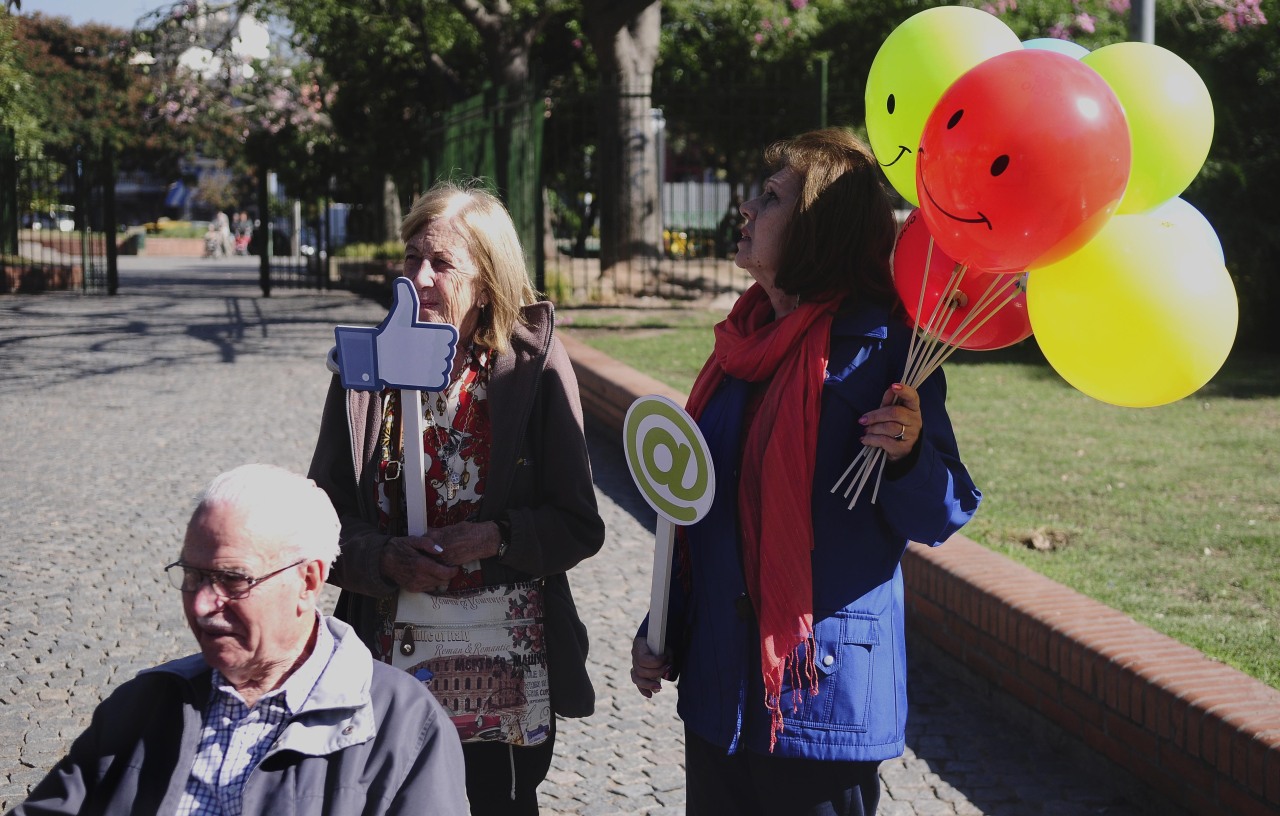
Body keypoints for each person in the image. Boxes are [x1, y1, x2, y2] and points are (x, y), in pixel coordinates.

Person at [629, 128, 983, 816]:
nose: (746, 210)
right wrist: (663, 626)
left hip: (822, 696)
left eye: (769, 198)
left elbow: (941, 513)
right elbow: (704, 514)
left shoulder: (886, 352)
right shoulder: (741, 344)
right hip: (718, 698)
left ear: (818, 229)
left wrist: (909, 457)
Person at [308, 180, 605, 815]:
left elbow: (578, 523)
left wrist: (498, 537)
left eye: (441, 263)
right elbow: (319, 518)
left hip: (500, 662)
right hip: (387, 653)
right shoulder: (365, 367)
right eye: (411, 256)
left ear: (488, 277)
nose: (418, 277)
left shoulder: (531, 367)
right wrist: (383, 557)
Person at [7, 463, 469, 816]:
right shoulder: (144, 704)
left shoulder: (401, 727)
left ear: (309, 582)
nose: (203, 605)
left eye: (232, 580)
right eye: (193, 575)